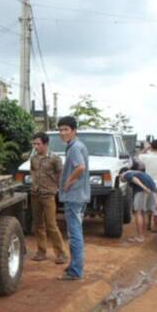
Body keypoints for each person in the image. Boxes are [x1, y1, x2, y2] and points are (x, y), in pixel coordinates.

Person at [57, 116, 90, 281]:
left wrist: (67, 183)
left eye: (66, 129)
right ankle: (74, 265)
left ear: (74, 130)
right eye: (60, 130)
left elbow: (80, 167)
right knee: (75, 232)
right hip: (79, 196)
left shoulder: (75, 147)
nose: (62, 133)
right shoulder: (75, 146)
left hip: (74, 196)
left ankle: (76, 271)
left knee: (75, 233)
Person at [29, 132, 67, 264]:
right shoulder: (33, 158)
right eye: (34, 144)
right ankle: (41, 251)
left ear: (45, 144)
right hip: (35, 195)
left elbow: (60, 175)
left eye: (38, 144)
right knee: (38, 224)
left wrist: (56, 188)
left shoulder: (55, 159)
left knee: (51, 224)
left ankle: (61, 253)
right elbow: (33, 173)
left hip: (48, 195)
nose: (35, 146)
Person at [120, 163, 157, 243]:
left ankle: (140, 237)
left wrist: (144, 188)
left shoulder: (127, 173)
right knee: (142, 212)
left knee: (138, 213)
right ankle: (142, 235)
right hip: (152, 190)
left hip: (142, 190)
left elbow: (133, 179)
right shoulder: (142, 173)